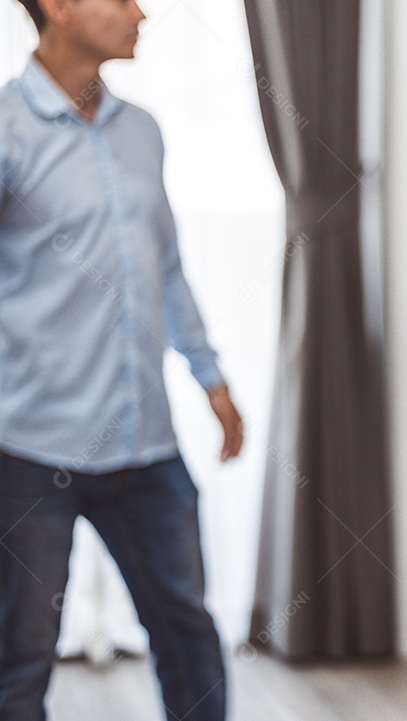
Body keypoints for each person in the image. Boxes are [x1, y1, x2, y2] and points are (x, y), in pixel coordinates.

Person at [0, 1, 243, 720]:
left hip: (147, 448)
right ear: (60, 7)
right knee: (19, 659)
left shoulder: (143, 130)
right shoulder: (7, 133)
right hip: (30, 451)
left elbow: (164, 268)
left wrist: (211, 376)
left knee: (190, 635)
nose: (142, 11)